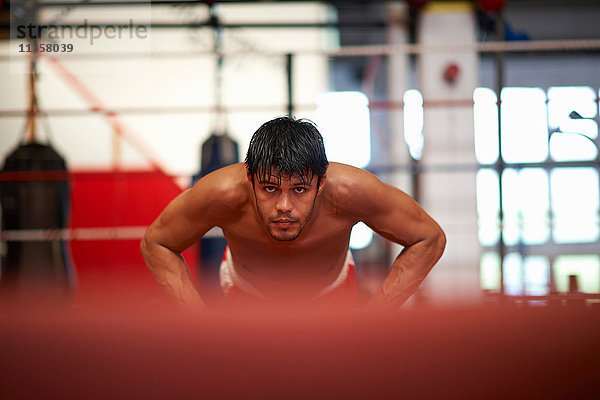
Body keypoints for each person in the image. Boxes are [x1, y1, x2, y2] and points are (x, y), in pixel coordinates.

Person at [141, 116, 446, 311]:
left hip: (332, 294)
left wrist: (376, 315)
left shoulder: (350, 191)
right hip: (247, 296)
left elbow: (428, 237)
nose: (284, 206)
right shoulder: (223, 193)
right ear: (250, 180)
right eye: (270, 188)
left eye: (299, 189)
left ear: (321, 182)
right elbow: (157, 242)